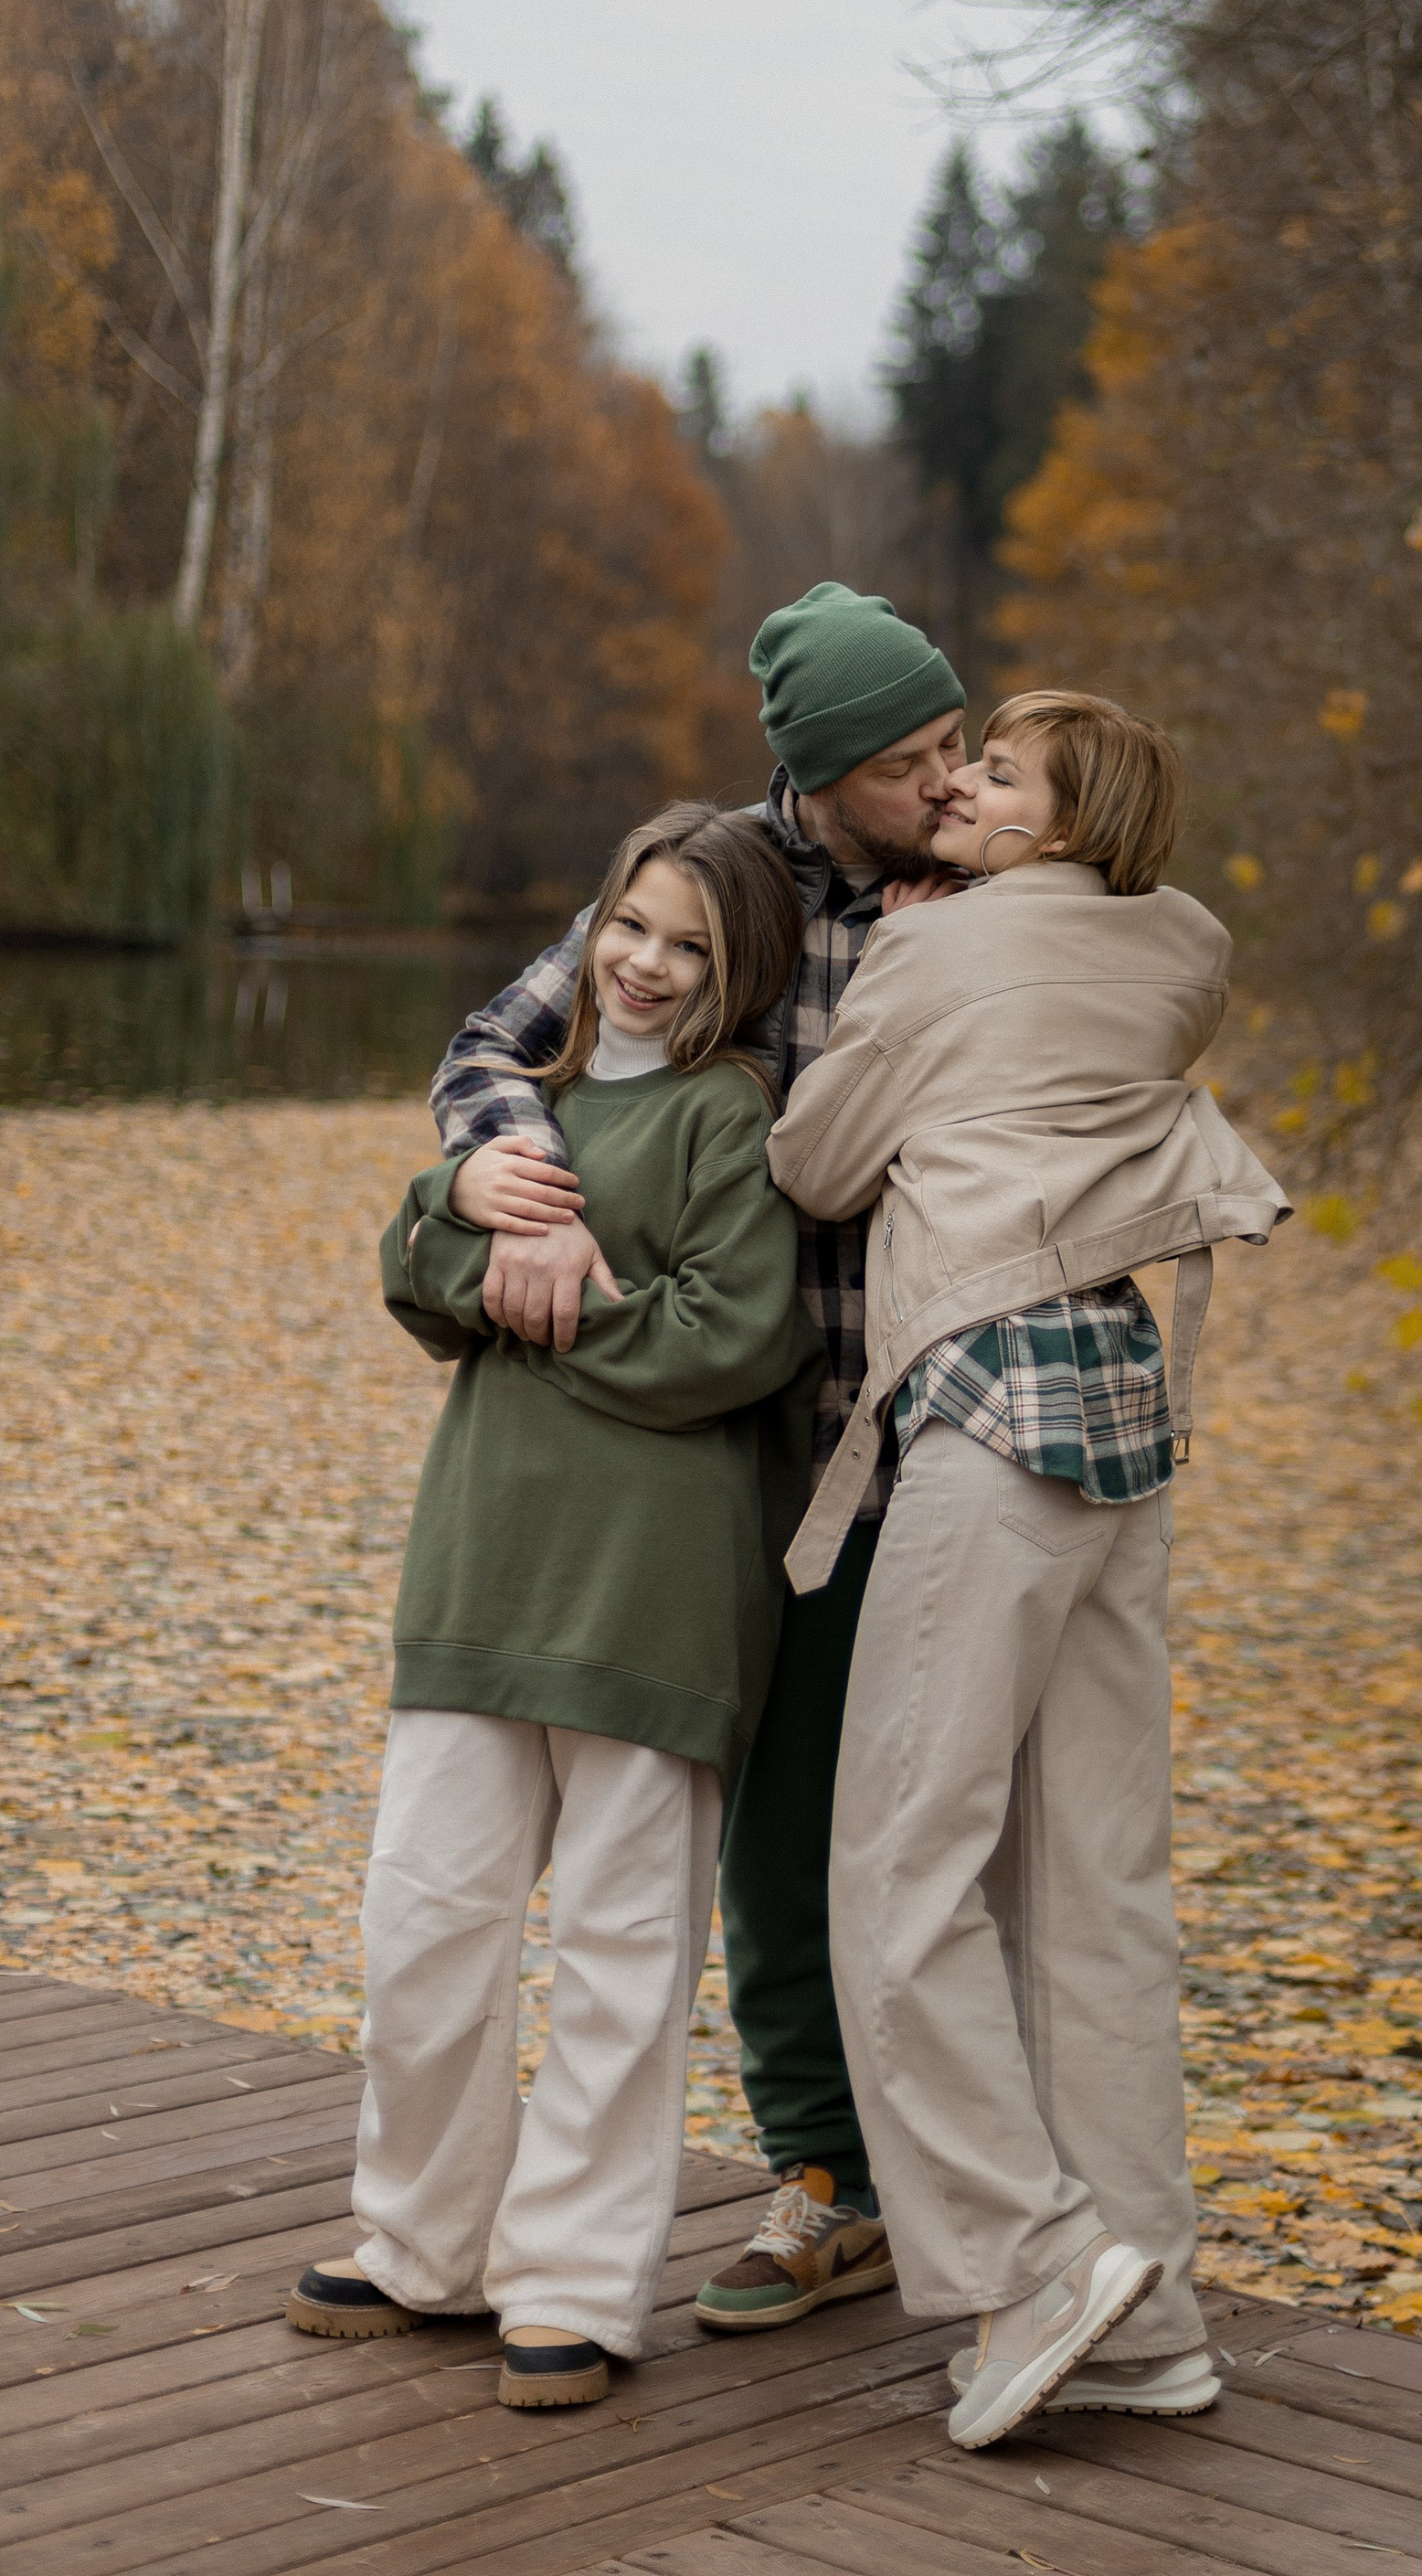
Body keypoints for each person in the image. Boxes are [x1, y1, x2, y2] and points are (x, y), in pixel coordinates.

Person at [420, 582, 965, 2336]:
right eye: (912, 760)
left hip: (915, 1423)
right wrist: (500, 1181)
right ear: (819, 774)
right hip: (730, 1457)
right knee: (752, 1828)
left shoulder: (973, 899)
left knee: (908, 1827)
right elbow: (499, 1048)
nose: (947, 782)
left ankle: (922, 2180)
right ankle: (823, 2176)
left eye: (957, 749)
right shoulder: (704, 880)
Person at [767, 688, 1289, 2451]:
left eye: (1002, 773)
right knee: (1097, 1888)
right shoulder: (1189, 946)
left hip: (989, 1418)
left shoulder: (930, 957)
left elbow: (814, 1161)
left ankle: (1033, 2257)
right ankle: (1153, 2315)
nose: (964, 788)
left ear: (1065, 822)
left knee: (899, 1875)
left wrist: (901, 976)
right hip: (1127, 1418)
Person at [287, 803, 820, 2409]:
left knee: (617, 1952)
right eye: (632, 926)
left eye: (693, 946)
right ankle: (422, 2244)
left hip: (652, 1599)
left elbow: (737, 1337)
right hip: (478, 1569)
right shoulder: (531, 1118)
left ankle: (576, 2289)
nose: (649, 966)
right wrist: (472, 1226)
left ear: (742, 974)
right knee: (426, 1922)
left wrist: (563, 1300)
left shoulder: (736, 1119)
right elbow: (416, 1268)